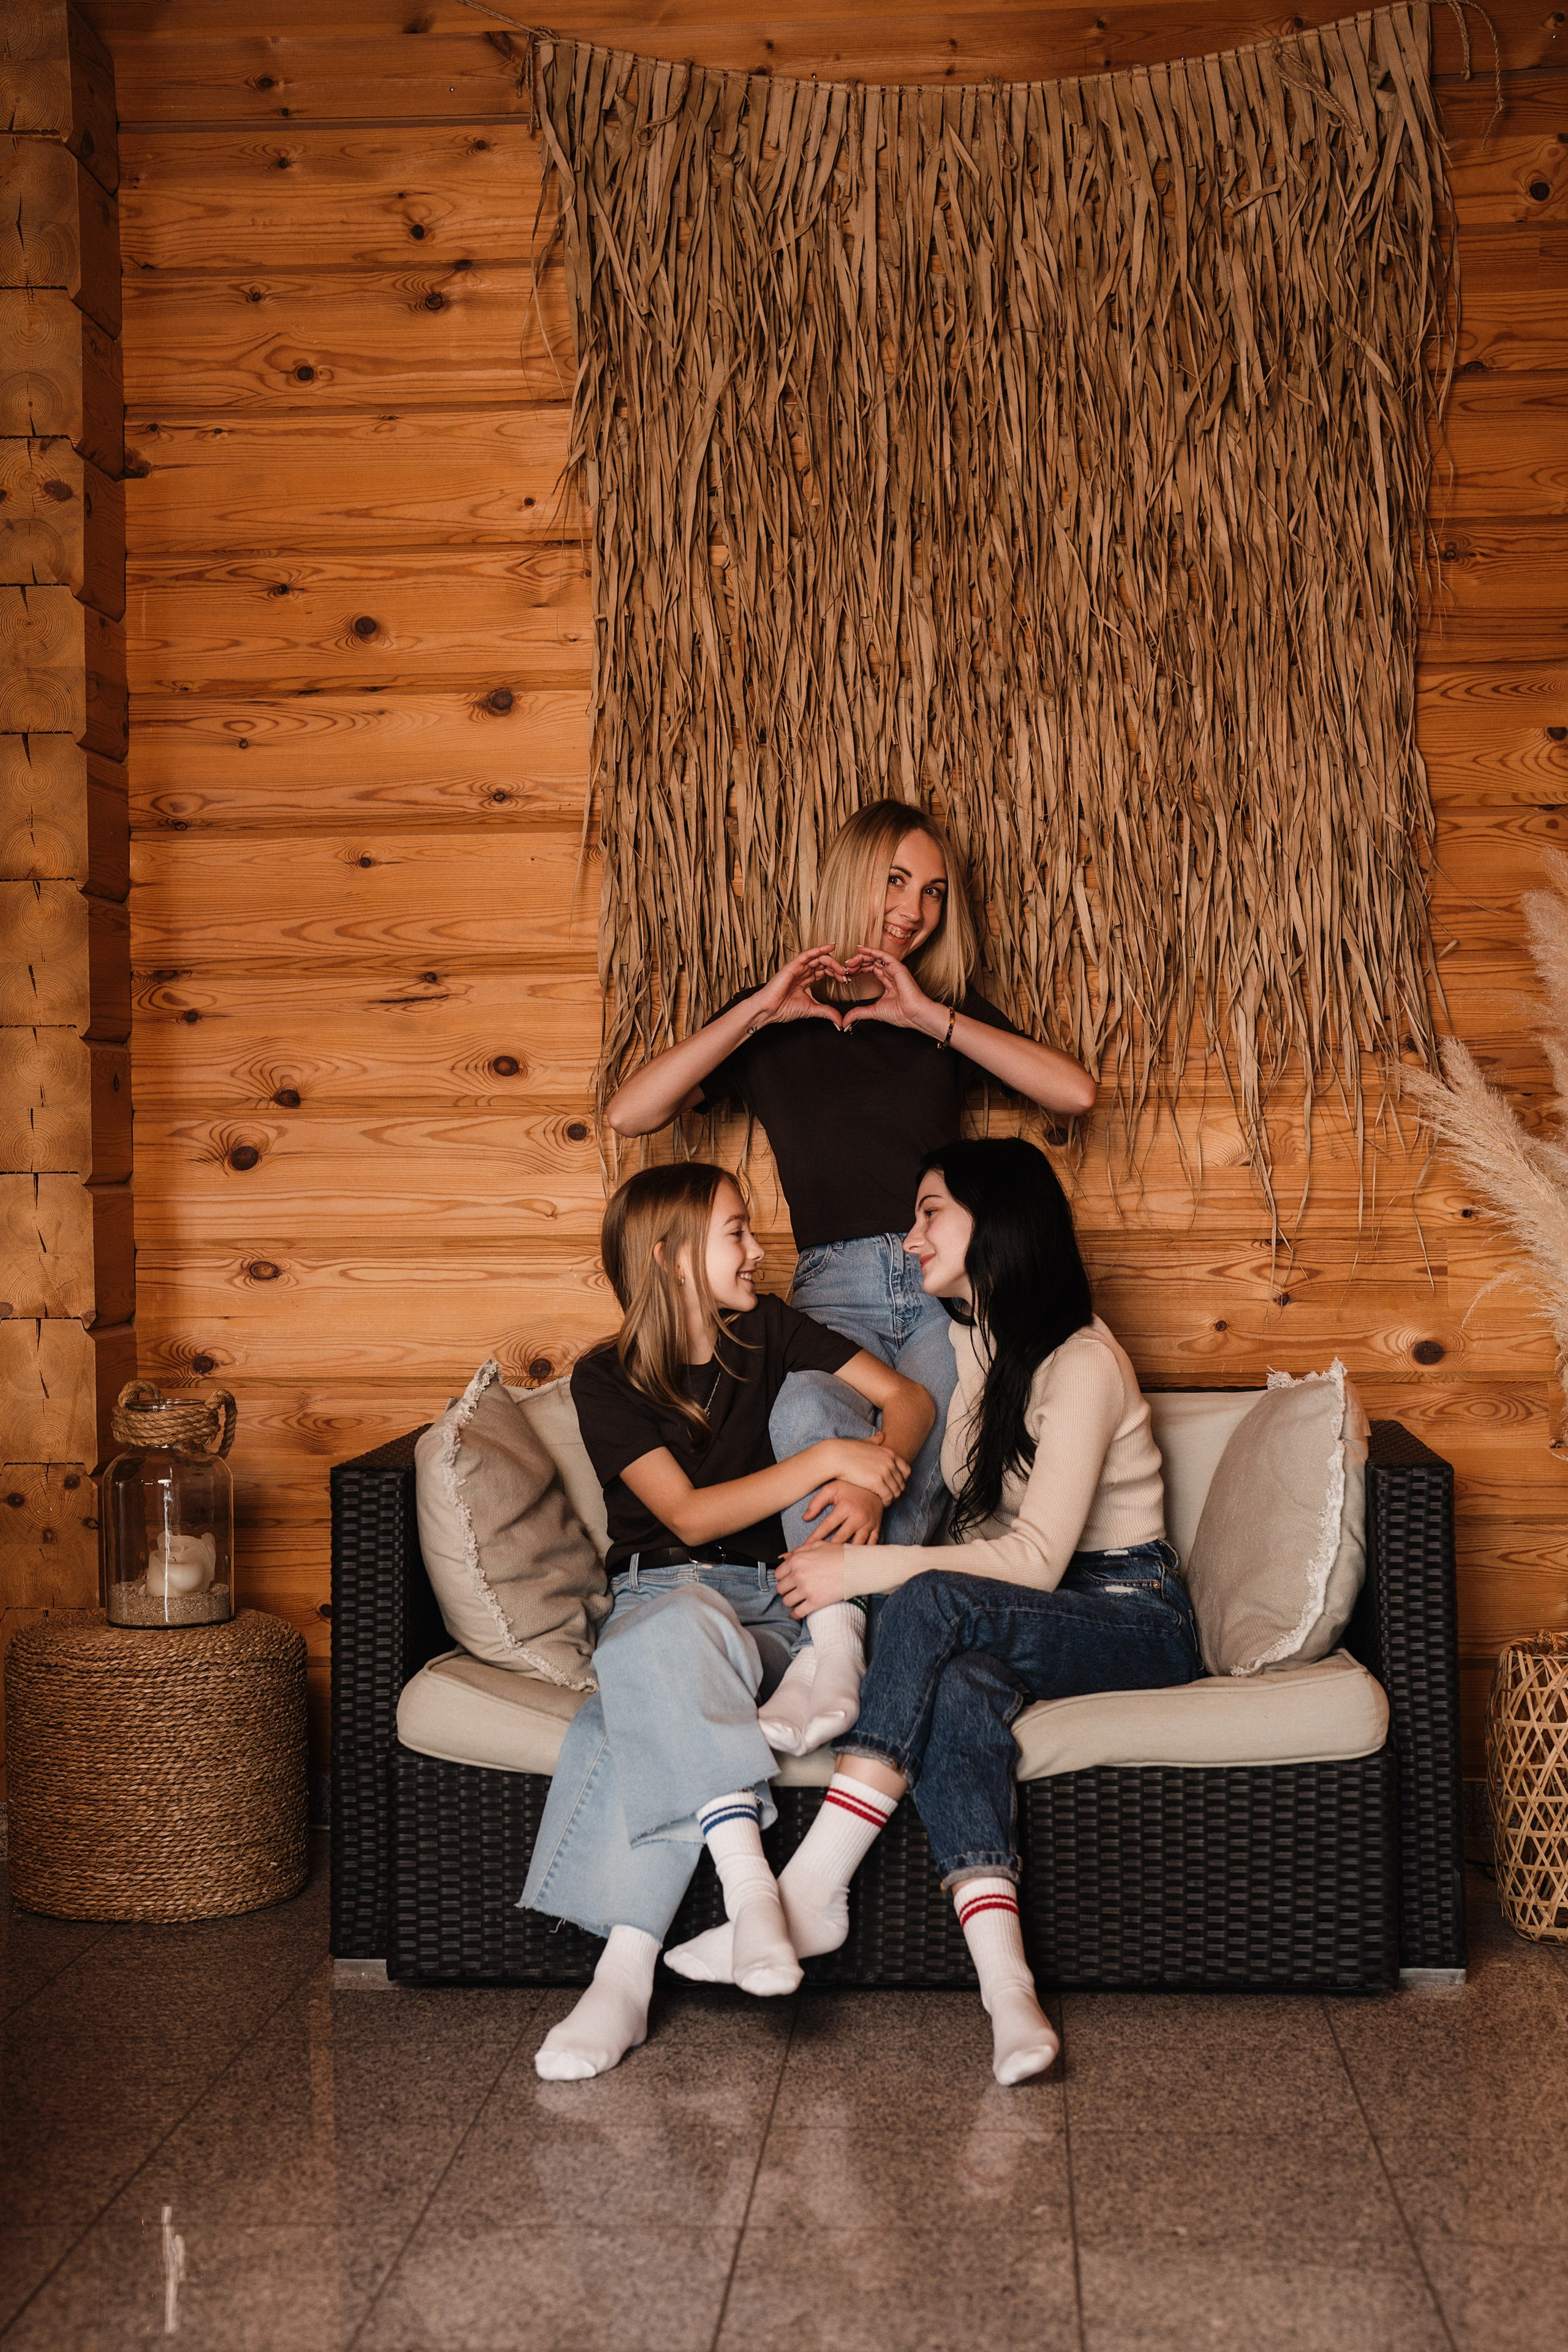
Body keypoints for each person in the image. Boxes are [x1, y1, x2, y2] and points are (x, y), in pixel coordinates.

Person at [666, 1137, 1202, 2087]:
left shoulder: (1083, 1360)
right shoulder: (970, 1343)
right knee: (956, 1691)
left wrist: (854, 1575)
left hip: (1132, 1613)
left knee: (926, 1593)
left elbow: (1034, 1561)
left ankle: (809, 1886)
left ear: (993, 1224)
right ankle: (1008, 1991)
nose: (910, 1239)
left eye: (929, 1215)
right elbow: (961, 1506)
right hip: (1032, 1615)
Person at [605, 801, 1096, 1752]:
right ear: (850, 877)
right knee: (798, 1415)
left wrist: (927, 1016)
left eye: (935, 894)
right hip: (830, 1282)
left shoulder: (937, 1014)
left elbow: (1074, 1092)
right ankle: (838, 1640)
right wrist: (759, 1010)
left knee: (947, 1427)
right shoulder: (770, 1024)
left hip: (940, 1280)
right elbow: (634, 1113)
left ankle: (849, 1641)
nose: (915, 910)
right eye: (898, 882)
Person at [522, 1161, 933, 2081]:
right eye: (737, 1234)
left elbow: (908, 1399)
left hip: (773, 1604)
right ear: (669, 1258)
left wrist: (874, 1479)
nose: (757, 1252)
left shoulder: (772, 1329)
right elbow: (690, 1518)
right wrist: (832, 1453)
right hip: (660, 1593)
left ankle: (624, 1969)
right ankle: (730, 1910)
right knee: (659, 1650)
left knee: (641, 1687)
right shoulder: (606, 1380)